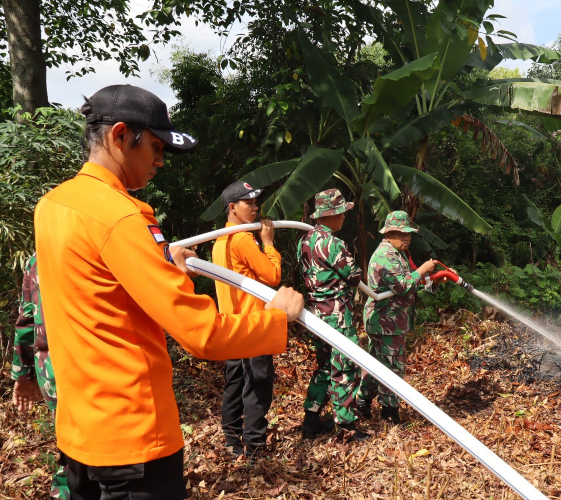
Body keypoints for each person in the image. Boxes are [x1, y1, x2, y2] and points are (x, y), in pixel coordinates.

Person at [33, 84, 303, 499]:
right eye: (155, 147)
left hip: (80, 433)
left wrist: (161, 262)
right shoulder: (122, 218)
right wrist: (277, 317)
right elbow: (202, 334)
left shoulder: (53, 205)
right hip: (133, 440)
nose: (160, 161)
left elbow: (99, 297)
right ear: (120, 136)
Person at [212, 181, 281, 460]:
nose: (255, 208)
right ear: (232, 207)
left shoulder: (220, 240)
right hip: (252, 325)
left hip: (231, 323)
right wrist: (268, 244)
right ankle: (254, 448)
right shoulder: (242, 239)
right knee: (257, 385)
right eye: (248, 203)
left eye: (255, 202)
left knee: (236, 383)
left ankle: (231, 440)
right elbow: (272, 276)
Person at [297, 189, 368, 441]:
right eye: (341, 213)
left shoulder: (304, 241)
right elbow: (354, 276)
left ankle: (311, 420)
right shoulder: (334, 244)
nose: (344, 218)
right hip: (337, 314)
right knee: (345, 367)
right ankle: (347, 427)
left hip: (315, 313)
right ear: (331, 215)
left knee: (325, 366)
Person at [356, 211, 436, 425]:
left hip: (390, 321)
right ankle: (389, 412)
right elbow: (402, 286)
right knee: (393, 366)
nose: (406, 238)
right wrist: (422, 270)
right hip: (385, 321)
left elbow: (411, 280)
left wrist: (434, 277)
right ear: (388, 234)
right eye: (401, 234)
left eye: (408, 234)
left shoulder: (398, 253)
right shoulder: (386, 256)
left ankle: (362, 402)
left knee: (376, 363)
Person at [11, 253, 69, 499]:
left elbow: (26, 320)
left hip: (51, 371)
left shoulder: (37, 257)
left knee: (70, 450)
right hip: (83, 368)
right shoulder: (98, 244)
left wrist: (23, 374)